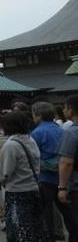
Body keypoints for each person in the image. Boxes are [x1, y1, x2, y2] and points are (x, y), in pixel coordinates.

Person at [0, 111, 46, 242]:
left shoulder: (11, 145)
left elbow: (3, 174)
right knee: (34, 228)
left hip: (17, 192)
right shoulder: (30, 140)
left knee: (18, 230)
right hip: (34, 189)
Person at [31, 101, 71, 241]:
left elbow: (33, 157)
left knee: (46, 212)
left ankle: (48, 237)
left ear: (38, 116)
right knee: (67, 211)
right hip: (62, 177)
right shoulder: (62, 130)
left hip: (45, 177)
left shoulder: (36, 133)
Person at [58, 95, 78, 241]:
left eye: (65, 108)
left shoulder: (71, 132)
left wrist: (62, 188)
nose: (64, 110)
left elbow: (66, 162)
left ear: (71, 111)